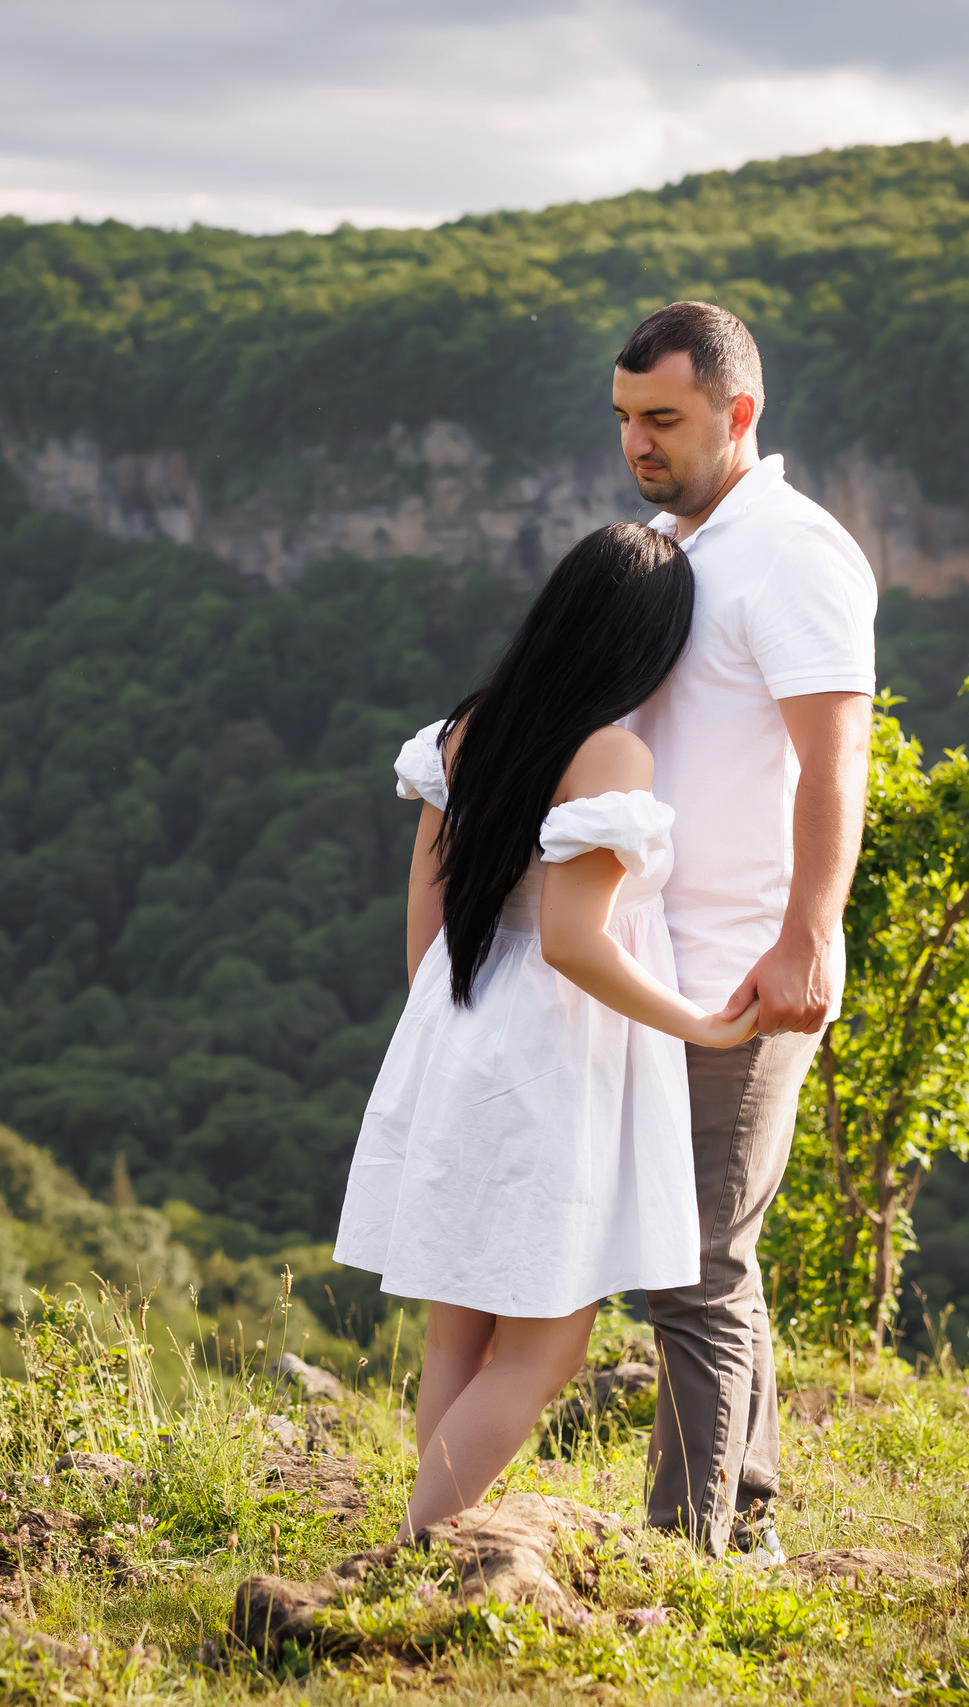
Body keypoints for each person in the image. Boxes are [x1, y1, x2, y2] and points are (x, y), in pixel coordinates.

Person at [331, 522, 760, 1540]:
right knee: (542, 1348)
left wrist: (444, 1048)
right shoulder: (610, 752)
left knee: (458, 1339)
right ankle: (415, 1548)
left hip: (456, 1023)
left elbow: (426, 923)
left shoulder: (467, 729)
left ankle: (425, 1539)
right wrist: (698, 1022)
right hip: (551, 1052)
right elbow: (573, 941)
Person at [611, 301, 878, 1557]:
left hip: (745, 962)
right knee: (702, 1249)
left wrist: (807, 935)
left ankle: (692, 1545)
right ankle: (748, 1517)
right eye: (623, 420)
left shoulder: (795, 552)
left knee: (695, 1261)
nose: (637, 445)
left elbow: (837, 763)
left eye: (661, 420)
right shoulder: (676, 545)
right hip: (663, 964)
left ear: (739, 413)